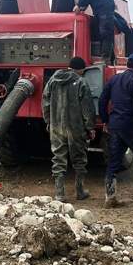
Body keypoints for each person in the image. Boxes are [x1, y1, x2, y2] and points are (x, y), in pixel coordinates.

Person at [98, 53, 133, 207]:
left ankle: (110, 198)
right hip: (131, 126)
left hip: (115, 125)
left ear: (128, 65)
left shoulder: (114, 79)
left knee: (113, 161)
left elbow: (102, 100)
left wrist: (105, 120)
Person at [42, 56, 96, 202]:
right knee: (79, 159)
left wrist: (48, 121)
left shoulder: (53, 80)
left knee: (58, 158)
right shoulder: (81, 82)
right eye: (83, 70)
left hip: (57, 126)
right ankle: (80, 191)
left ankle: (59, 194)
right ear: (80, 69)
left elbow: (45, 102)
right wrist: (90, 127)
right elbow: (87, 108)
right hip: (76, 127)